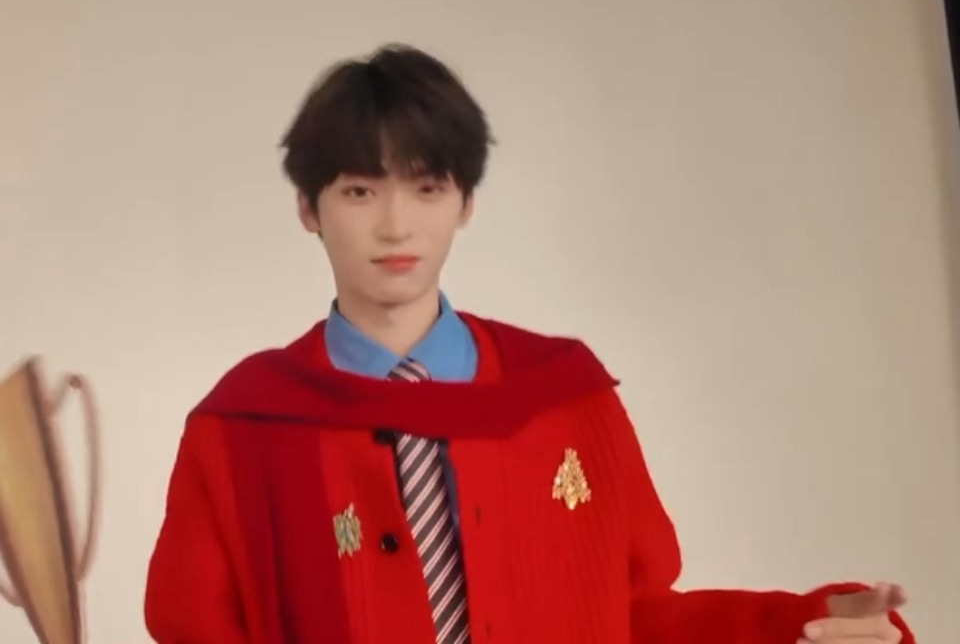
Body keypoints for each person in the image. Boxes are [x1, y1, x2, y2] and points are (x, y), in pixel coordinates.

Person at [143, 44, 914, 644]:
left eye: (427, 188)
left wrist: (800, 627)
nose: (396, 225)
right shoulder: (244, 427)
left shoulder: (564, 399)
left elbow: (636, 620)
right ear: (309, 209)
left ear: (465, 203)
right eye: (359, 191)